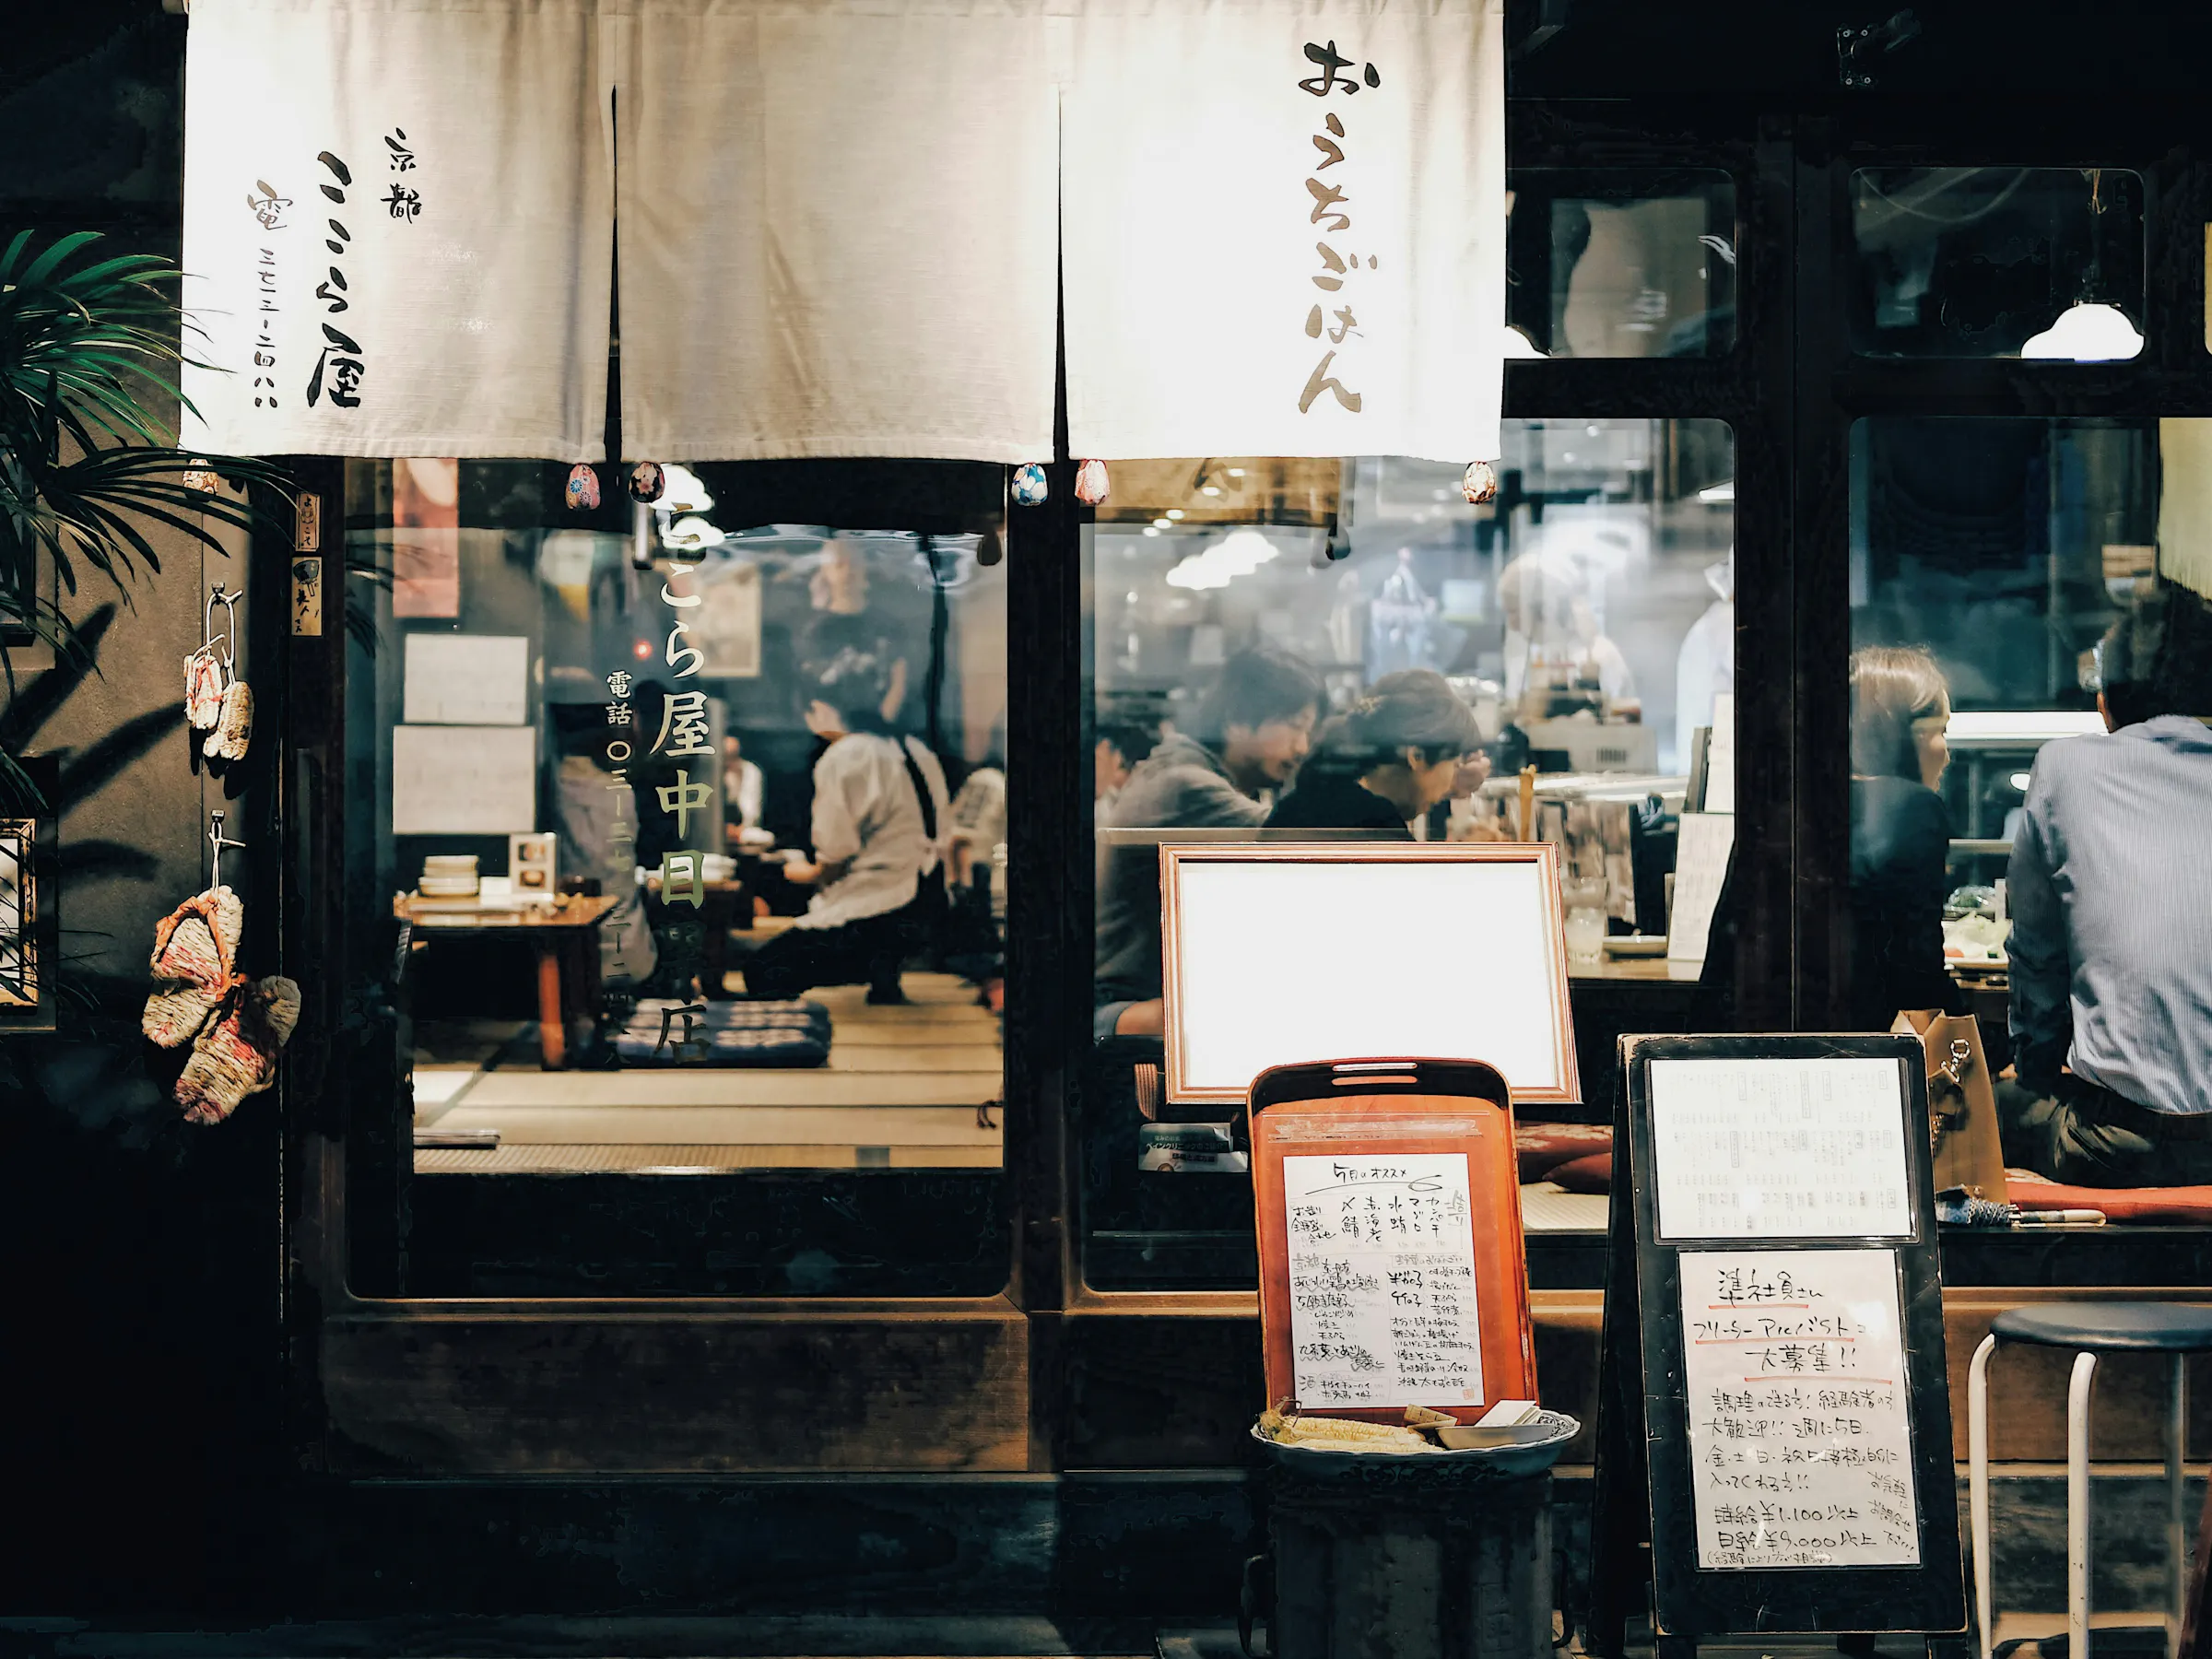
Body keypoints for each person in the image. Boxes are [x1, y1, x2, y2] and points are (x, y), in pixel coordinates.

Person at [2000, 585, 2212, 1185]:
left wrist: (2037, 1063)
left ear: (2105, 705)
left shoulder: (2068, 767)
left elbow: (2036, 955)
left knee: (1982, 1107)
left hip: (2122, 1143)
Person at [1094, 644, 1324, 1037]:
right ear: (1238, 721)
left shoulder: (1196, 773)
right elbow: (1322, 840)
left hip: (1141, 997)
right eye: (1295, 725)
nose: (1302, 747)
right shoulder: (1186, 785)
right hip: (1124, 1009)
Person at [737, 651, 949, 1006]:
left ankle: (871, 964)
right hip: (928, 898)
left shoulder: (847, 754)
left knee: (763, 970)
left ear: (820, 707)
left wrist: (800, 872)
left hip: (881, 906)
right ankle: (884, 973)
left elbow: (836, 854)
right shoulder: (916, 749)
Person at [1845, 645, 1963, 1030]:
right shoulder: (1911, 806)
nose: (1947, 753)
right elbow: (1919, 972)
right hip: (1851, 1049)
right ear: (1897, 733)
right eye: (1939, 731)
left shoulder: (1792, 800)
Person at [1266, 670, 1484, 838]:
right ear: (1416, 756)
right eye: (1455, 764)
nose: (1450, 785)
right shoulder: (1377, 830)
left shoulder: (1306, 801)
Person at [721, 732, 766, 842]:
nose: (730, 762)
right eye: (726, 756)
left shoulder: (751, 771)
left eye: (733, 756)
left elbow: (752, 809)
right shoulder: (710, 774)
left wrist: (740, 829)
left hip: (743, 831)